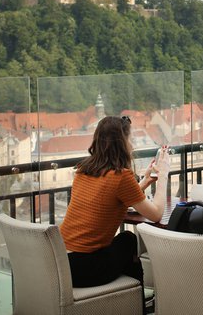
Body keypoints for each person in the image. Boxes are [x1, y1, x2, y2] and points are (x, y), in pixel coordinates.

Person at [60, 115, 169, 309]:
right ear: (122, 143)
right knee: (127, 239)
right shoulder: (121, 176)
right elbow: (156, 214)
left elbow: (110, 198)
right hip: (86, 269)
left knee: (123, 243)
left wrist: (143, 182)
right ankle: (136, 307)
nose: (132, 145)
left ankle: (132, 305)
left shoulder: (82, 170)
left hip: (62, 263)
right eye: (130, 140)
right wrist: (163, 177)